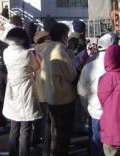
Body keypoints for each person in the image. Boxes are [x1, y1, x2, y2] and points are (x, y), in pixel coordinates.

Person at [38, 23, 77, 156]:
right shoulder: (60, 52)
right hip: (64, 98)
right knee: (63, 136)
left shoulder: (47, 50)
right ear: (64, 37)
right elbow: (71, 76)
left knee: (55, 133)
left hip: (50, 96)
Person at [3, 28, 42, 156]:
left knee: (14, 127)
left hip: (12, 92)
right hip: (26, 91)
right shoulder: (26, 53)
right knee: (26, 129)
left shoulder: (6, 52)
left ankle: (12, 153)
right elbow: (36, 67)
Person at [77, 33, 114, 156]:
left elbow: (82, 90)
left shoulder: (89, 65)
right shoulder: (117, 64)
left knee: (96, 143)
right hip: (114, 113)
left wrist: (87, 108)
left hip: (95, 111)